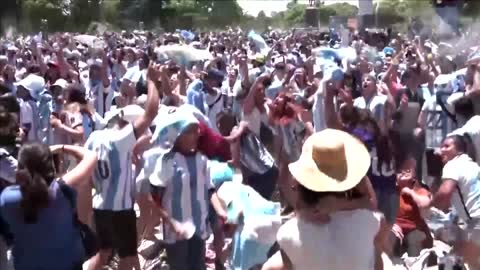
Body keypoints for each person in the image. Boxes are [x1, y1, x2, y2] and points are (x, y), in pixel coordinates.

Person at [262, 129, 389, 270]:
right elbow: (372, 207)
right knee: (378, 254)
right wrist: (341, 200)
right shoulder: (370, 221)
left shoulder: (287, 234)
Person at [86, 64, 160, 270]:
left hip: (99, 206)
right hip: (120, 210)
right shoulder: (122, 139)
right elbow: (151, 111)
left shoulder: (94, 137)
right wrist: (152, 80)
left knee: (104, 255)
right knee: (127, 256)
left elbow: (90, 175)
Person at [0, 143, 97, 270]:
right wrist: (62, 147)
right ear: (50, 167)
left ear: (19, 169)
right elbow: (91, 156)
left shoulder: (6, 199)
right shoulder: (61, 190)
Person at [417, 135, 480, 268]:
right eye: (441, 146)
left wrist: (429, 203)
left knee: (457, 260)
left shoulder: (452, 165)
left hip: (476, 223)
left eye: (446, 146)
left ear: (458, 150)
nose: (441, 150)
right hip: (473, 224)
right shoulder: (473, 166)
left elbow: (445, 193)